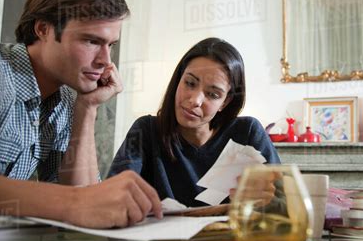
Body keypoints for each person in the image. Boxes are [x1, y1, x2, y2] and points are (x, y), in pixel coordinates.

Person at [0, 0, 162, 229]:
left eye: (110, 45)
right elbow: (79, 199)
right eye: (91, 41)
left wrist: (87, 108)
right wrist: (77, 200)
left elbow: (86, 201)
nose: (105, 61)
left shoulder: (65, 99)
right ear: (43, 29)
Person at [108, 38, 281, 207]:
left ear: (225, 102)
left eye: (213, 94)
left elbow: (285, 204)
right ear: (178, 80)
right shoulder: (147, 130)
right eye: (190, 83)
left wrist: (264, 201)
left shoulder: (247, 132)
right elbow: (111, 197)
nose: (195, 100)